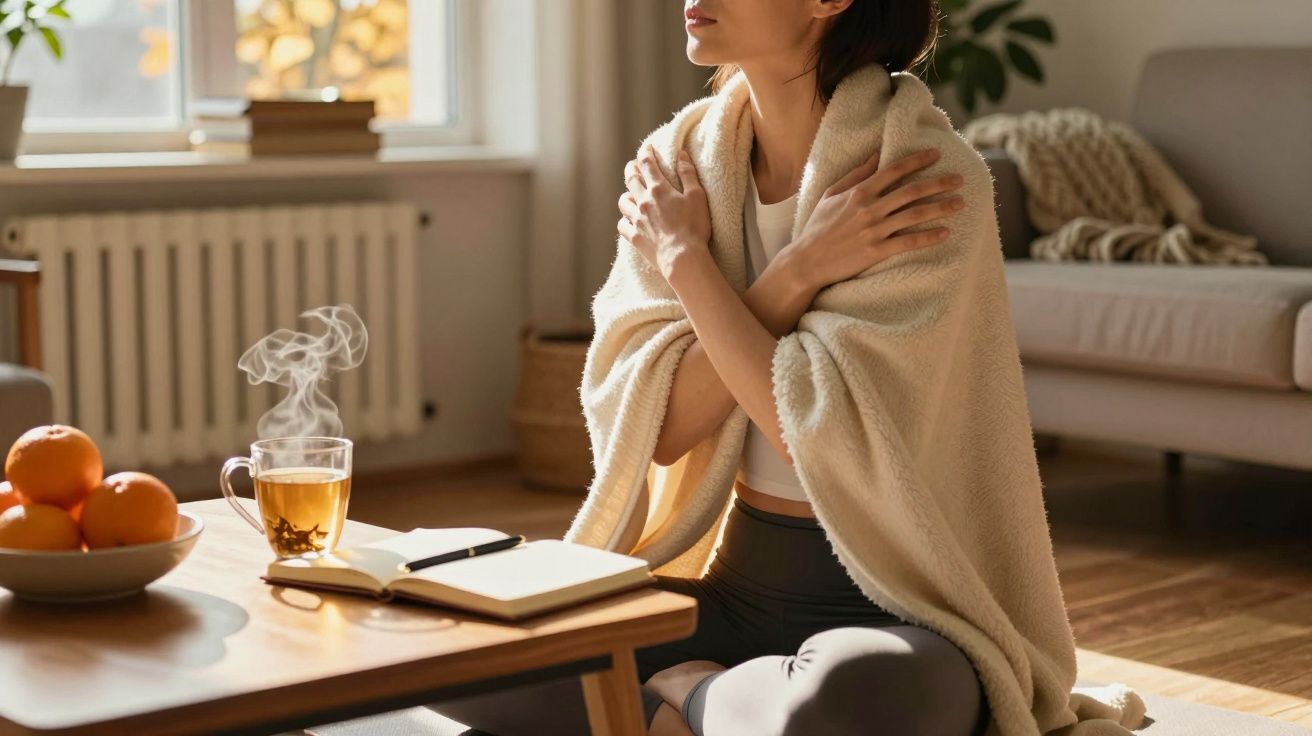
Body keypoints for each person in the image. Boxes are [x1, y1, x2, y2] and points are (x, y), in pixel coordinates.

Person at [431, 1, 995, 734]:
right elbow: (654, 426)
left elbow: (822, 441)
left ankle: (687, 699)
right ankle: (722, 713)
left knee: (865, 696)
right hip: (735, 594)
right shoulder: (683, 163)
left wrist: (688, 263)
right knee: (445, 642)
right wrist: (790, 269)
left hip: (897, 613)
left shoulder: (920, 177)